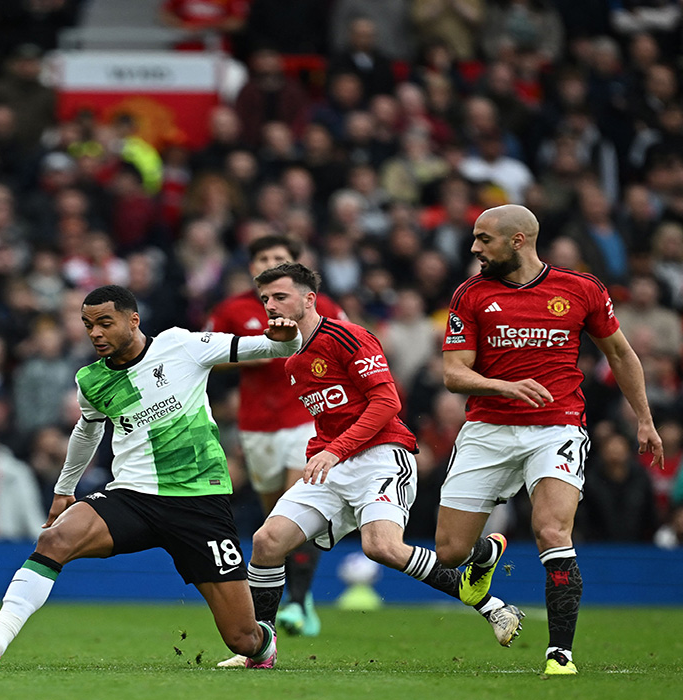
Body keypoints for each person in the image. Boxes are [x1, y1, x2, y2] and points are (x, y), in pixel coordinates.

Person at [0, 284, 302, 669]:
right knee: (55, 538)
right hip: (133, 496)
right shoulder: (91, 381)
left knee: (242, 638)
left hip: (199, 502)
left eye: (105, 323)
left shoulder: (181, 346)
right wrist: (64, 490)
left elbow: (276, 348)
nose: (94, 333)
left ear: (133, 320)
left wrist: (285, 337)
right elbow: (87, 431)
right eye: (88, 325)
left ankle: (264, 645)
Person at [235, 262, 525, 666]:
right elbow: (330, 417)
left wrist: (333, 451)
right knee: (267, 542)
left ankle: (493, 606)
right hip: (332, 464)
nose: (271, 305)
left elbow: (387, 403)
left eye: (280, 296)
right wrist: (323, 454)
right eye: (265, 299)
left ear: (309, 299)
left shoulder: (349, 336)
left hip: (381, 455)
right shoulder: (292, 361)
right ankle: (259, 651)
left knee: (381, 547)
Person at [437, 204, 665, 676]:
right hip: (488, 428)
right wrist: (504, 386)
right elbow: (453, 374)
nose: (475, 248)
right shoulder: (471, 294)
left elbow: (621, 354)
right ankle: (485, 556)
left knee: (552, 531)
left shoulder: (580, 289)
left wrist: (644, 419)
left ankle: (560, 653)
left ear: (518, 240)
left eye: (484, 239)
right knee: (450, 552)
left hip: (557, 425)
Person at [207, 234, 347, 650]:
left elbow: (343, 347)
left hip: (304, 418)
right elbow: (215, 358)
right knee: (277, 523)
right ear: (252, 268)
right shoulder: (232, 310)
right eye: (263, 258)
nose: (270, 262)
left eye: (279, 258)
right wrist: (263, 350)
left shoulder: (318, 306)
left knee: (296, 501)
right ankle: (289, 599)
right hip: (255, 425)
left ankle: (299, 603)